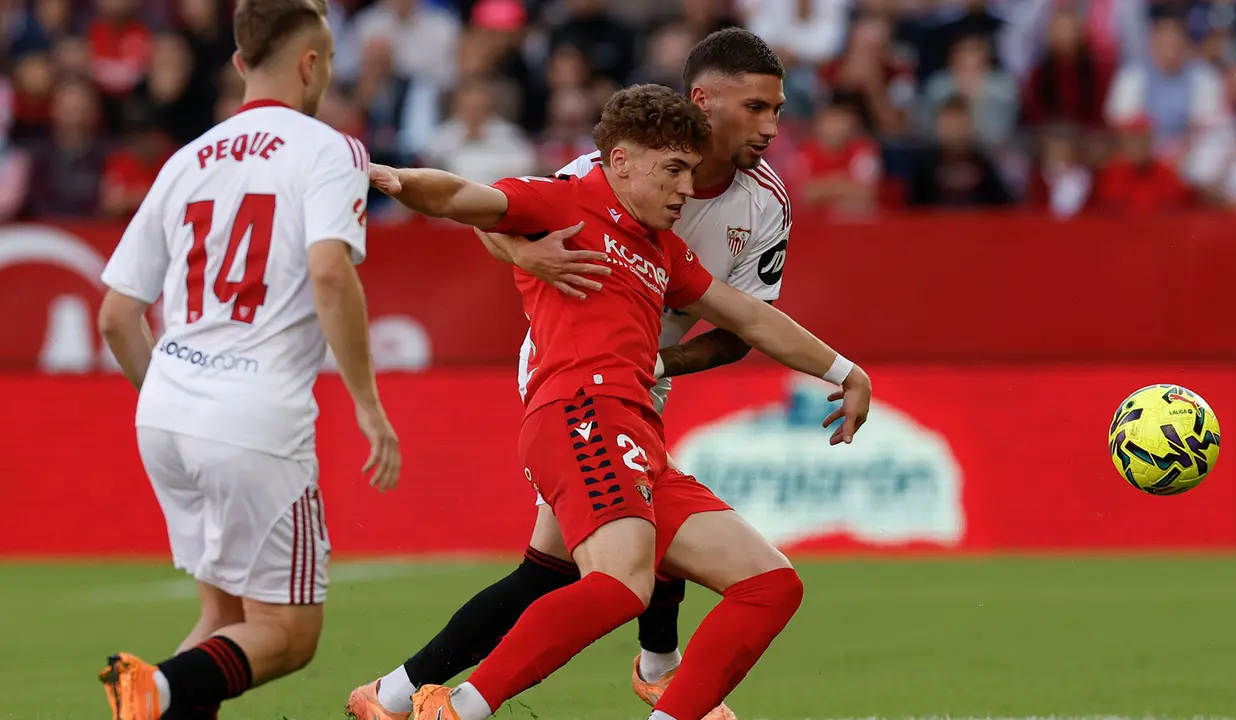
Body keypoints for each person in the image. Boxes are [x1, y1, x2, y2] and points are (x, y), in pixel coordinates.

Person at [360, 83, 871, 720]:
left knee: (769, 584)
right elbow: (466, 197)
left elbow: (749, 319)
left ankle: (402, 693)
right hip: (579, 410)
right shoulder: (570, 199)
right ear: (622, 161)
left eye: (691, 170)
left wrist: (846, 370)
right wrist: (387, 176)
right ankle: (460, 708)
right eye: (674, 170)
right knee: (621, 582)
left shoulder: (665, 250)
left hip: (635, 425)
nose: (685, 188)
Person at [93, 1, 401, 718]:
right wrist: (367, 403)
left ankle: (159, 695)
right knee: (288, 634)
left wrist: (173, 393)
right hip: (254, 418)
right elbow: (331, 273)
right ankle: (157, 688)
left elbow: (115, 315)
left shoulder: (184, 159)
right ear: (311, 63)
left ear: (238, 64)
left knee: (226, 618)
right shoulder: (330, 150)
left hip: (165, 414)